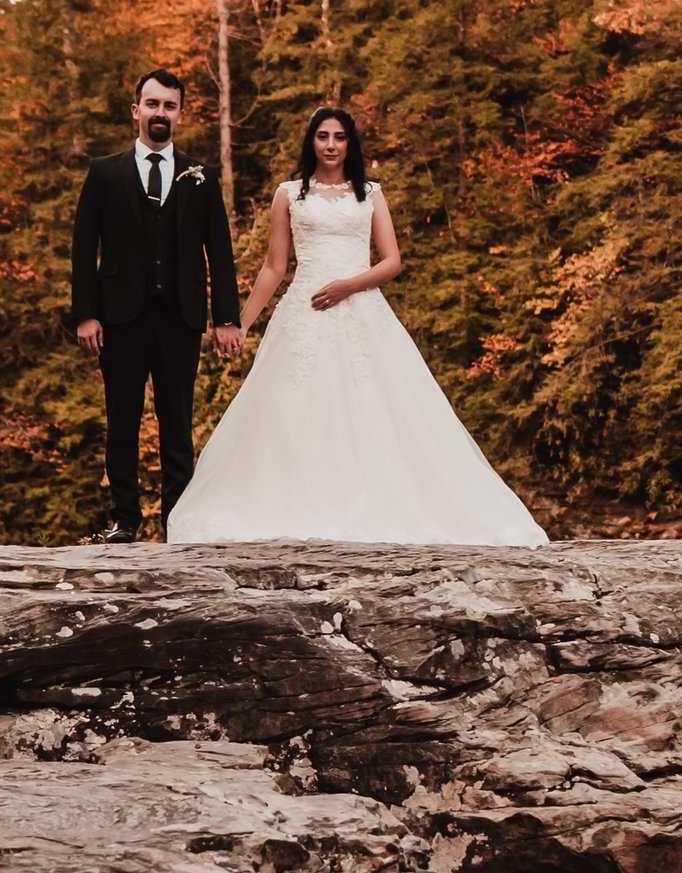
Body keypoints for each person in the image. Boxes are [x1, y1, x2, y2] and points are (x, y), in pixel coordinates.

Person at [166, 104, 546, 546]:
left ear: (350, 143)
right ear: (311, 141)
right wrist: (242, 322)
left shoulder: (369, 192)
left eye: (339, 137)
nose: (330, 145)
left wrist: (348, 285)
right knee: (294, 407)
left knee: (377, 406)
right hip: (304, 312)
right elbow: (274, 266)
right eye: (323, 136)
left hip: (361, 306)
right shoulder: (288, 194)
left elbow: (392, 261)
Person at [68, 68, 244, 541]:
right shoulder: (104, 173)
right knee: (122, 420)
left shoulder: (202, 176)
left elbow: (220, 252)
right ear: (136, 110)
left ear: (180, 115)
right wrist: (85, 313)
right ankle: (125, 520)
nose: (159, 112)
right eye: (152, 104)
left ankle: (177, 523)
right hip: (118, 318)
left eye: (169, 105)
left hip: (180, 317)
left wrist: (227, 318)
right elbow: (84, 248)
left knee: (177, 425)